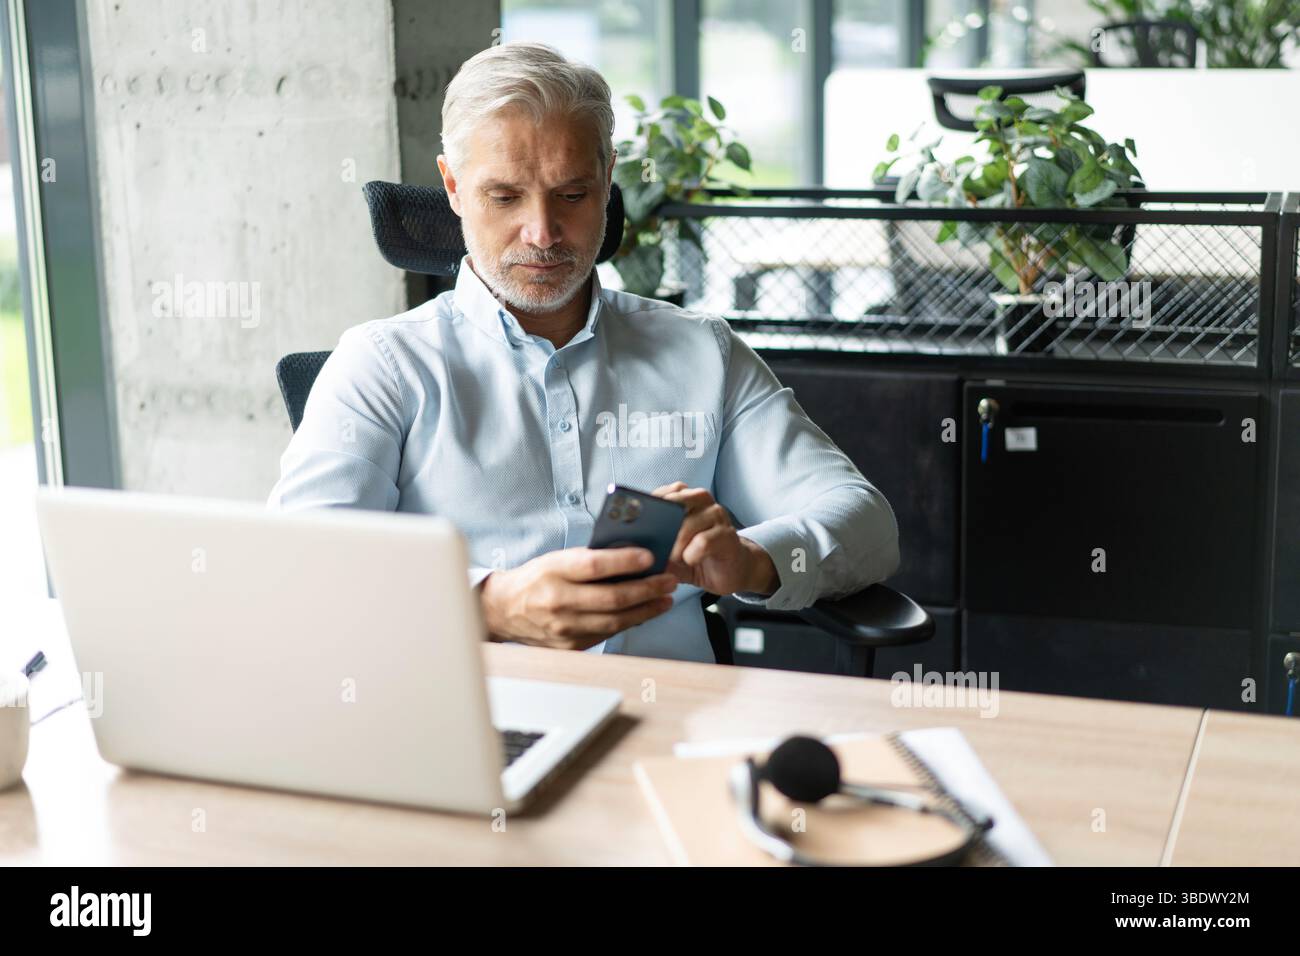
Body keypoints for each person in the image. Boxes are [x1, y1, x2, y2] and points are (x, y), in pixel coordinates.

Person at [269, 42, 899, 663]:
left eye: (571, 195)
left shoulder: (702, 352)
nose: (542, 234)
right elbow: (299, 569)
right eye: (505, 196)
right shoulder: (383, 366)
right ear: (454, 187)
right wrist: (488, 606)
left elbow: (867, 525)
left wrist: (752, 559)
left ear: (606, 179)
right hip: (480, 732)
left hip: (671, 724)